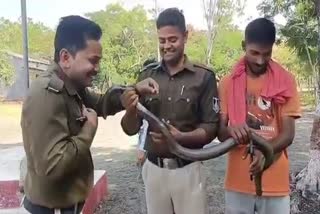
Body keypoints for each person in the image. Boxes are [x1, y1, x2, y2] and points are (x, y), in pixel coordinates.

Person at [21, 15, 158, 214]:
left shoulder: (71, 85)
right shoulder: (47, 93)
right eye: (93, 61)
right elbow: (53, 167)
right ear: (66, 57)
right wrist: (88, 130)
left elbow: (102, 103)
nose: (97, 69)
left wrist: (134, 89)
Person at [120, 8, 219, 214]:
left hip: (188, 170)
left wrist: (179, 137)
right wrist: (130, 109)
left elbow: (211, 127)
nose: (166, 46)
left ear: (185, 36)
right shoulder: (146, 75)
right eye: (162, 40)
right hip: (153, 170)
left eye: (172, 39)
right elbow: (130, 129)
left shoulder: (204, 77)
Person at [218, 18, 301, 214]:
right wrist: (232, 130)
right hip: (237, 182)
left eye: (267, 54)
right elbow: (221, 133)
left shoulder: (286, 81)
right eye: (254, 53)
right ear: (243, 45)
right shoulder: (227, 83)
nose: (260, 60)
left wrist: (265, 151)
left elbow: (288, 134)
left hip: (275, 182)